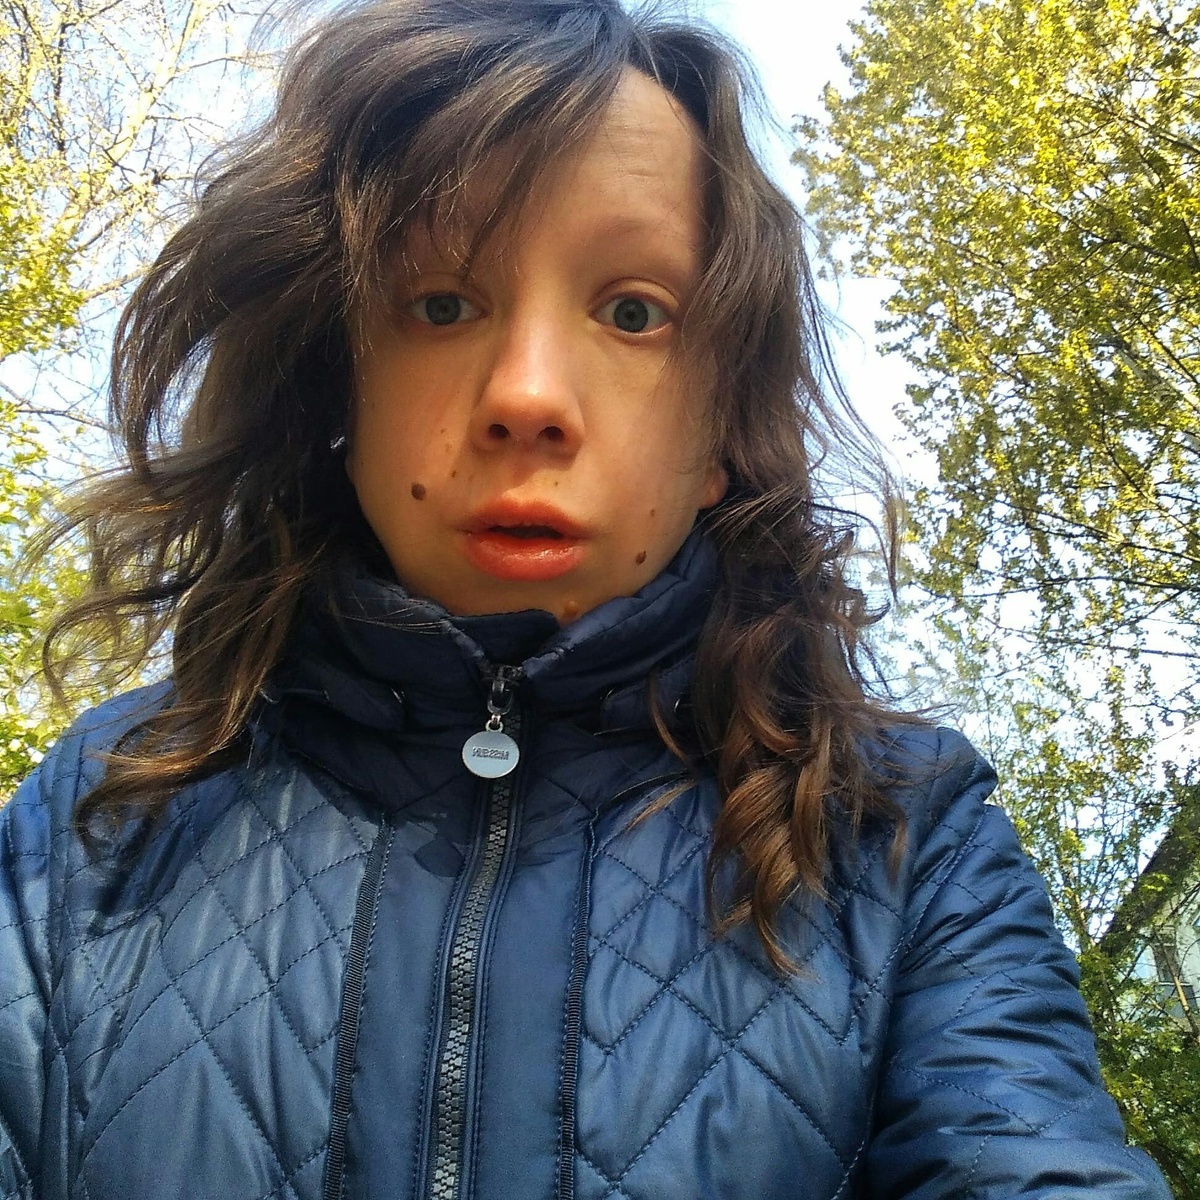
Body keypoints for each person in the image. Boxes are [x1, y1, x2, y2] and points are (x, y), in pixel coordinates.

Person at [0, 1, 1174, 1197]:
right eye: (441, 303)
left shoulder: (903, 837)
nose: (528, 397)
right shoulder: (95, 821)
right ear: (335, 383)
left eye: (632, 312)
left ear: (722, 428)